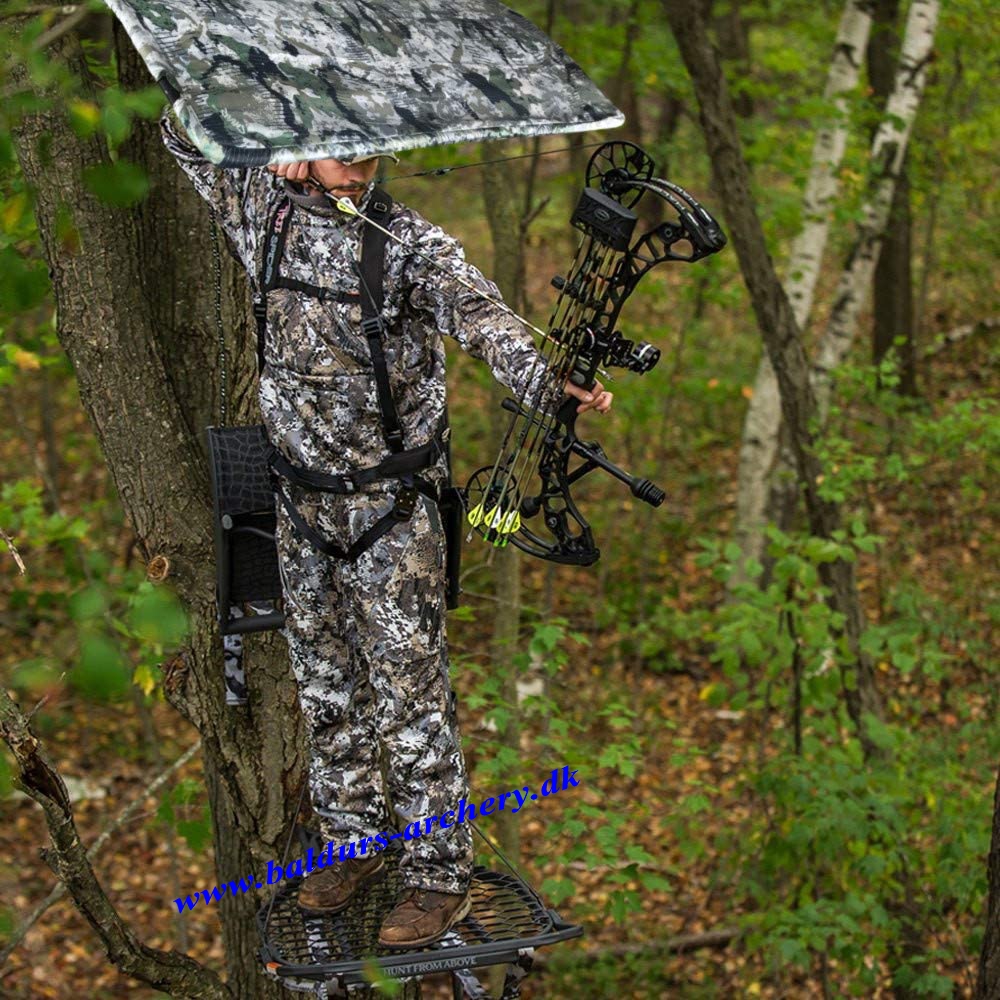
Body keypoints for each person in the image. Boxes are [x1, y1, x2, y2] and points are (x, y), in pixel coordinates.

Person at [159, 107, 612, 948]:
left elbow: (482, 316)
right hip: (300, 506)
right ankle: (355, 845)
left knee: (410, 695)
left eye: (371, 149)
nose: (361, 164)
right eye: (341, 149)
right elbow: (181, 130)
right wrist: (268, 140)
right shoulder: (258, 205)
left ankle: (438, 876)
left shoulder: (408, 244)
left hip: (391, 515)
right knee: (326, 688)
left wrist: (553, 384)